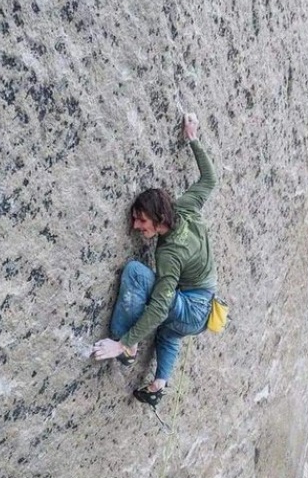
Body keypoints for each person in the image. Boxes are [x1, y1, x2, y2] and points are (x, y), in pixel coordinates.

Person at [91, 113, 218, 407]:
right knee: (169, 334)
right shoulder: (185, 207)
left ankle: (126, 349)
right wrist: (193, 139)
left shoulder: (170, 253)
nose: (137, 227)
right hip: (202, 308)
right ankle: (159, 384)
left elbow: (161, 306)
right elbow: (210, 180)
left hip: (192, 307)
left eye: (142, 220)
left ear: (160, 218)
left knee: (136, 272)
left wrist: (124, 342)